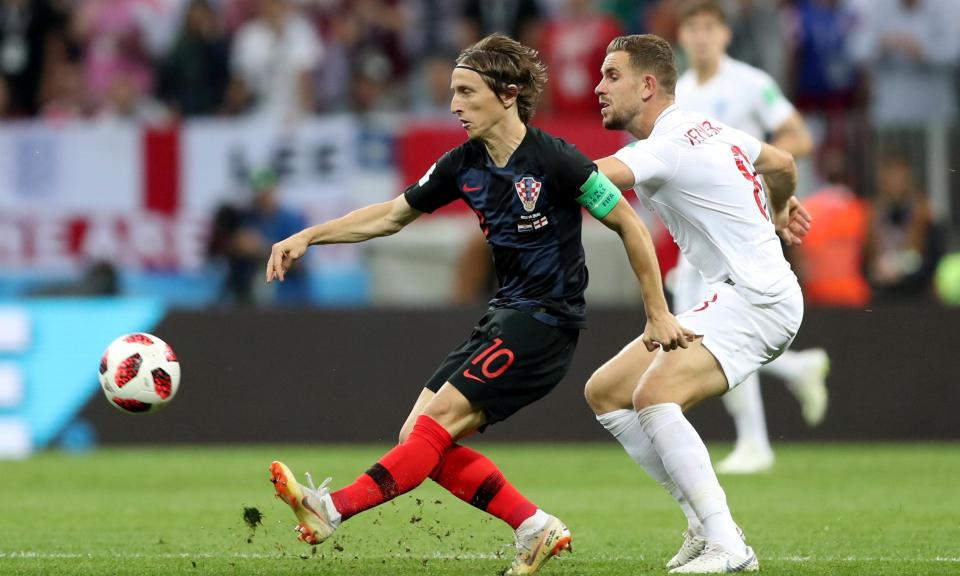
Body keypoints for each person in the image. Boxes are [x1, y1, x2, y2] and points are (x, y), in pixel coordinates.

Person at [263, 33, 691, 575]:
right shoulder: (462, 165)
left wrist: (656, 311)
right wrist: (310, 236)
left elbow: (629, 223)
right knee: (417, 439)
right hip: (504, 313)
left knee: (433, 426)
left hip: (545, 321)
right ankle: (535, 527)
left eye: (466, 92)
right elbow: (391, 215)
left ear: (508, 94)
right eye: (452, 92)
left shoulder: (556, 159)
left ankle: (333, 508)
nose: (453, 105)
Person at [584, 34, 810, 573]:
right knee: (608, 392)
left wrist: (526, 167)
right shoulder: (707, 128)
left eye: (612, 76)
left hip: (757, 299)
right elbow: (780, 161)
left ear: (648, 84)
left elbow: (590, 178)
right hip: (737, 294)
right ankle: (702, 524)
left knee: (656, 394)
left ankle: (730, 547)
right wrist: (779, 211)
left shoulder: (665, 146)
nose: (598, 87)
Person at [671, 0, 828, 474]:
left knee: (712, 327)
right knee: (701, 327)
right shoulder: (674, 92)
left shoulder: (751, 84)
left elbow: (798, 138)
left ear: (725, 35)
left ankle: (756, 441)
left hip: (741, 224)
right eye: (692, 28)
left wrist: (745, 160)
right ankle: (796, 370)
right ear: (681, 37)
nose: (700, 37)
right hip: (692, 230)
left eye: (708, 28)